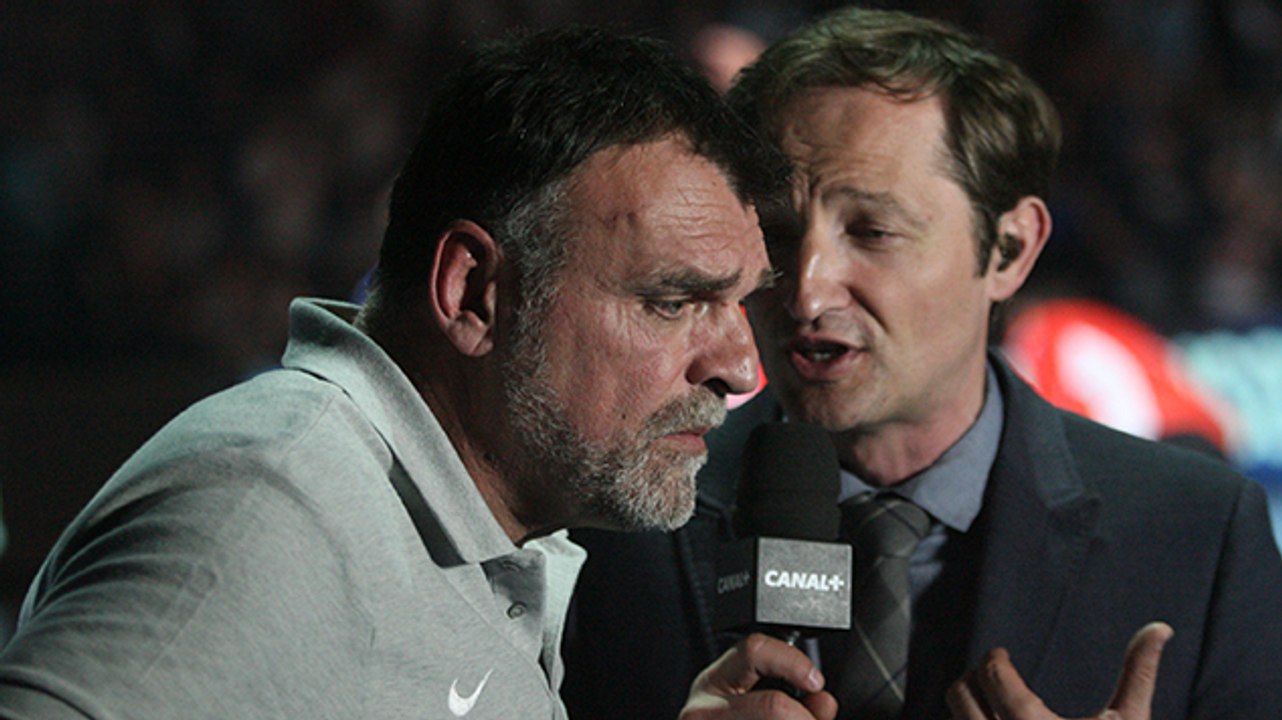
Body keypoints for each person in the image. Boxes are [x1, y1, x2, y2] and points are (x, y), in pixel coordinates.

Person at [0, 26, 834, 720]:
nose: (737, 368)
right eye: (674, 300)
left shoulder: (485, 527)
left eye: (738, 304)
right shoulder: (270, 511)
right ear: (473, 291)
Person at [562, 8, 1282, 720]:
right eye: (778, 231)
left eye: (872, 232)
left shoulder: (1196, 534)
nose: (806, 291)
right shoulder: (617, 526)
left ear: (1009, 249)